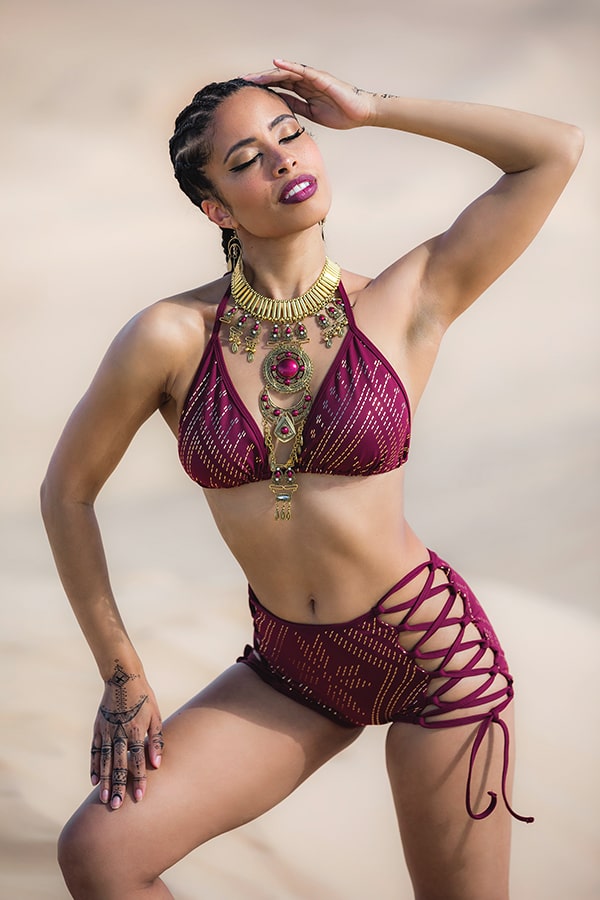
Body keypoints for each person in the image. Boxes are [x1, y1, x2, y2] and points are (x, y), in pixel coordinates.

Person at [41, 59, 582, 899]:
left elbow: (553, 152)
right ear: (215, 206)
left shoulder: (406, 301)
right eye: (247, 158)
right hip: (292, 666)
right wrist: (122, 672)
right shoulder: (170, 336)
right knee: (102, 853)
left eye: (289, 136)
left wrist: (372, 110)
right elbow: (67, 493)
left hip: (432, 658)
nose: (283, 158)